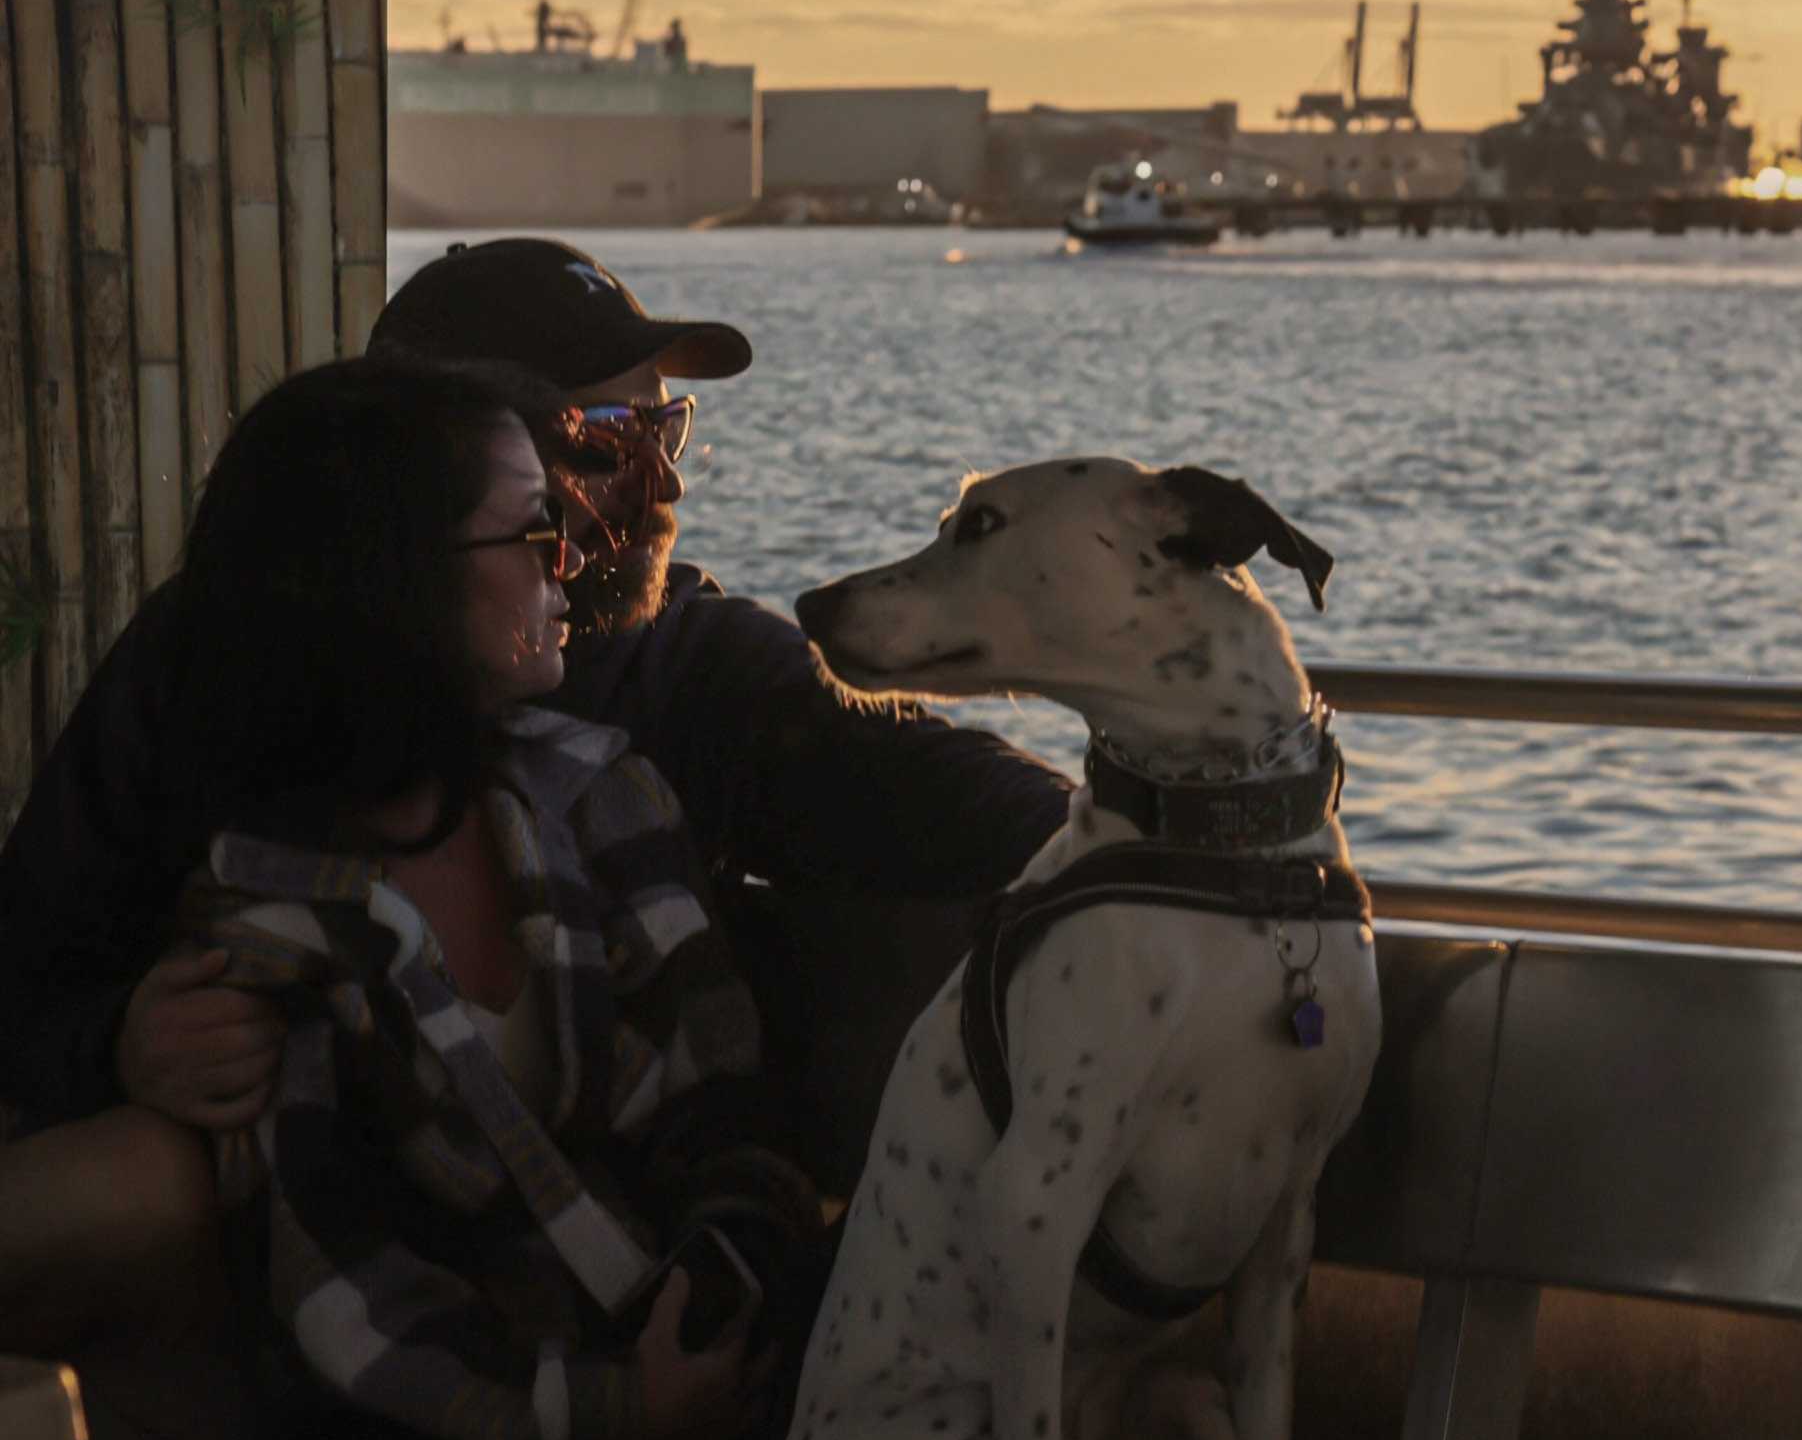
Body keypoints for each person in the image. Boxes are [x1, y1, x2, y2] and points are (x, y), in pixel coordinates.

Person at [0, 239, 1069, 1181]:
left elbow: (930, 784)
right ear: (428, 466)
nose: (661, 487)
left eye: (666, 429)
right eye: (604, 440)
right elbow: (33, 973)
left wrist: (1136, 848)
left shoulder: (688, 662)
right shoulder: (216, 659)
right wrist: (123, 1045)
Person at [157, 352, 820, 1440]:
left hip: (686, 1332)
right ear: (394, 581)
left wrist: (721, 1283)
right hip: (484, 1410)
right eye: (531, 529)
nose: (573, 553)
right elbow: (343, 1285)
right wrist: (621, 1408)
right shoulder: (262, 911)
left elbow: (720, 1093)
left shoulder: (600, 791)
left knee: (870, 1271)